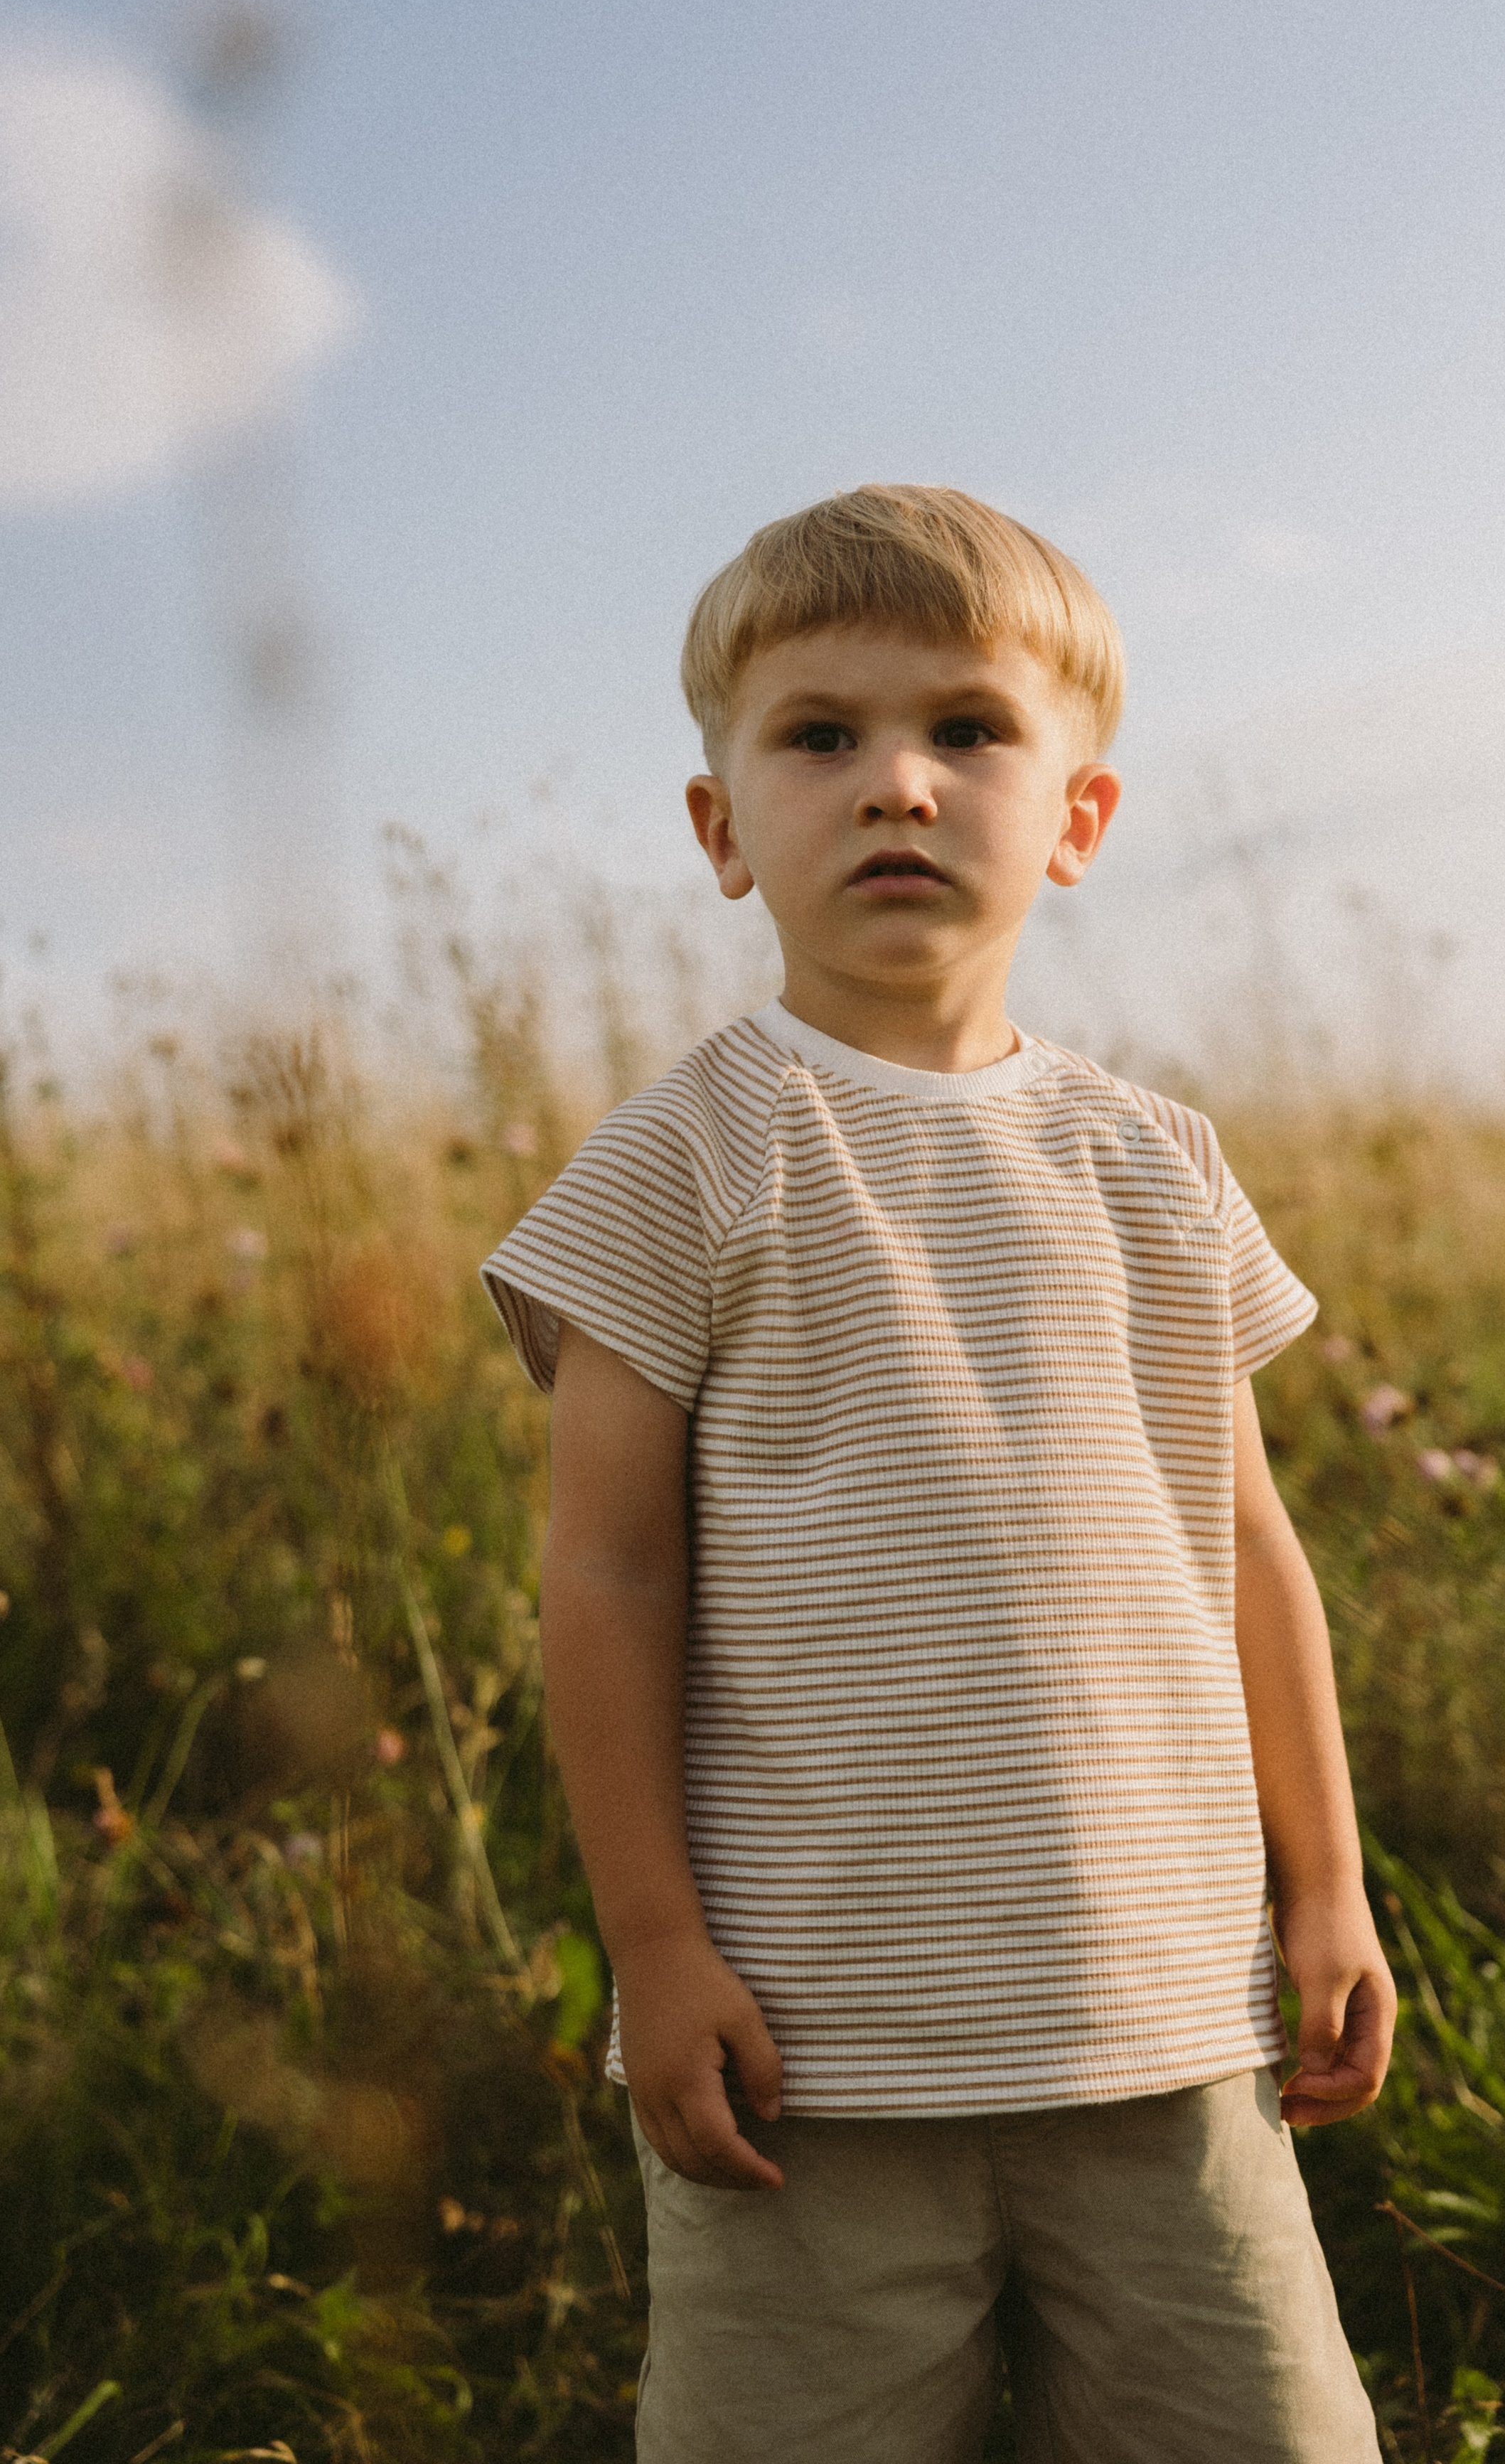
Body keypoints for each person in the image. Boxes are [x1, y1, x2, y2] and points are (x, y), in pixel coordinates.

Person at [481, 483, 1395, 2462]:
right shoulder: (682, 1160)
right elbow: (609, 1576)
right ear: (724, 830)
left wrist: (1326, 1884)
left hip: (1166, 2018)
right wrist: (653, 1945)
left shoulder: (1159, 1163)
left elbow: (1249, 1546)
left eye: (968, 730)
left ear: (1078, 817)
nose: (897, 781)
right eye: (820, 735)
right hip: (814, 2053)